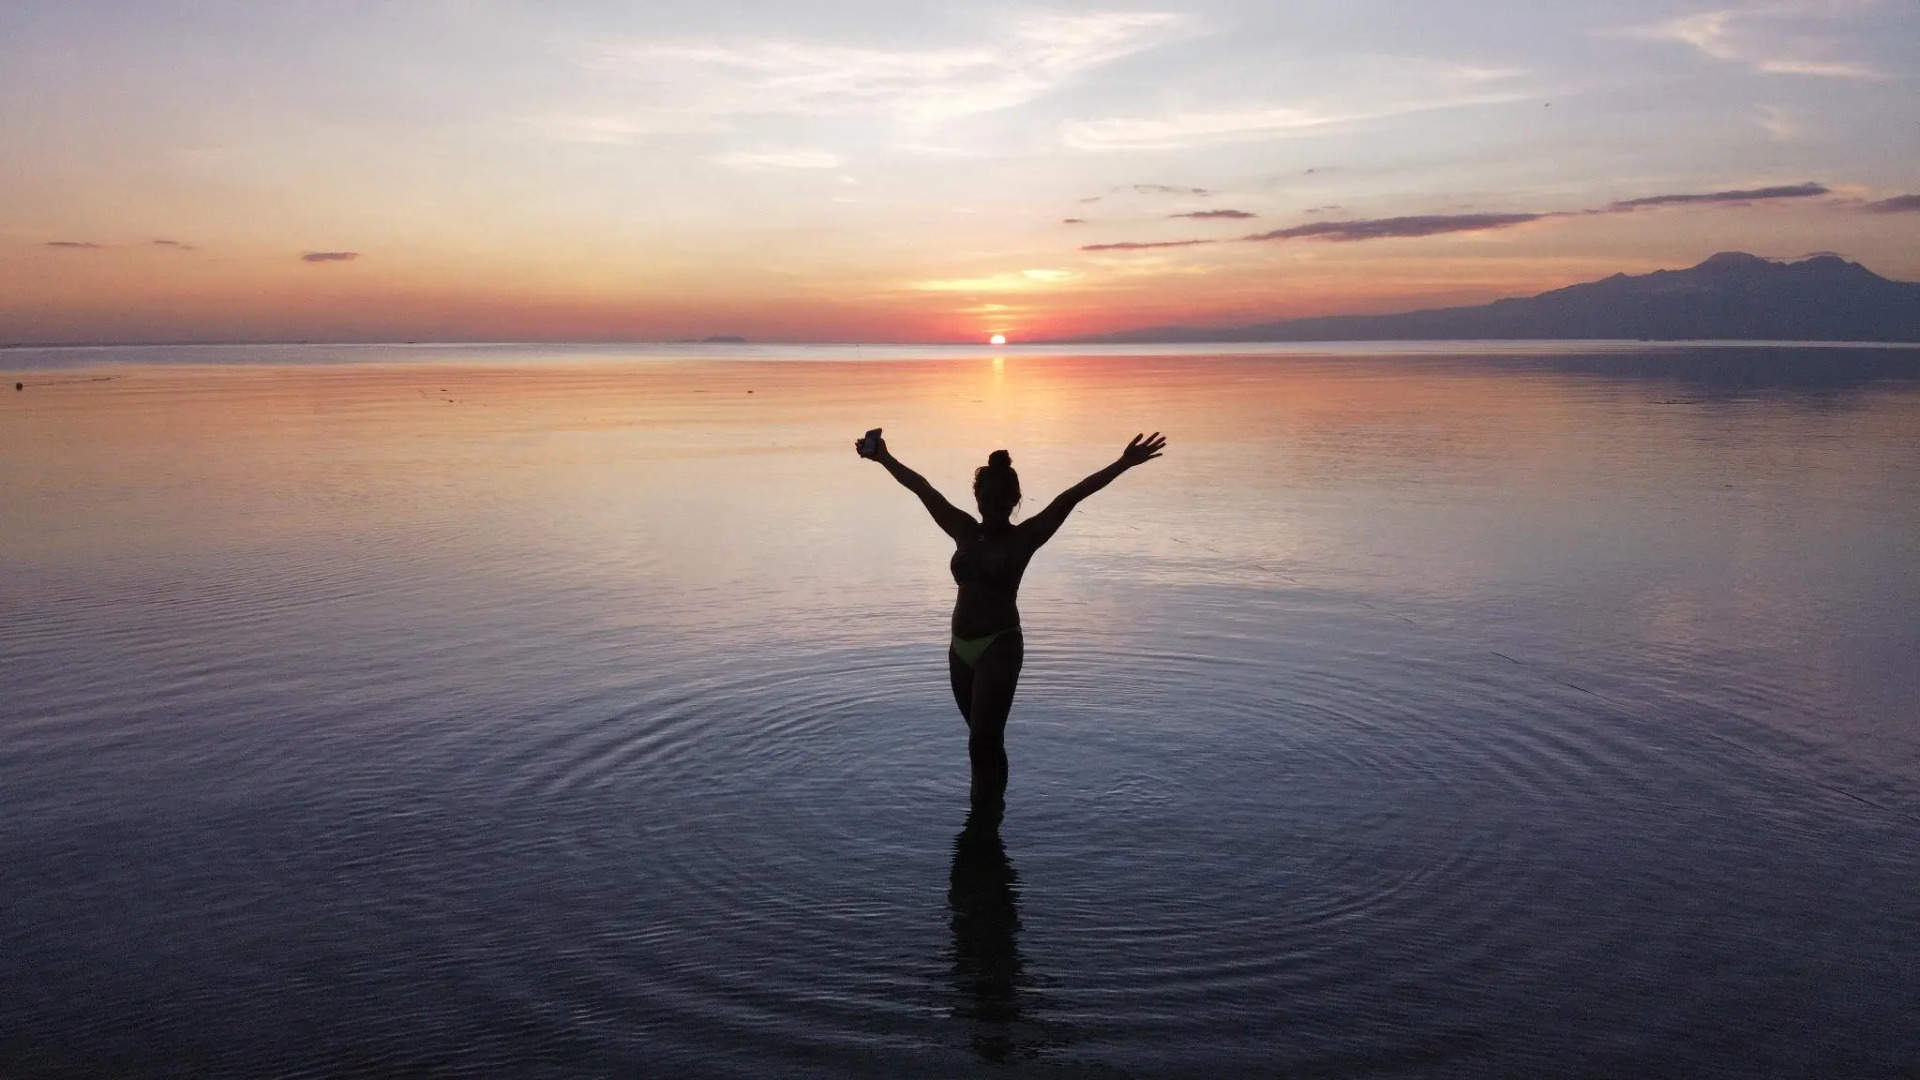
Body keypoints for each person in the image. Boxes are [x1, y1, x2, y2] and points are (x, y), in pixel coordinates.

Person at [858, 431, 1167, 800]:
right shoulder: (963, 530)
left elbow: (1072, 495)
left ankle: (981, 826)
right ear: (977, 497)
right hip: (960, 650)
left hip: (999, 647)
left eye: (1000, 498)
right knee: (985, 740)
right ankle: (996, 809)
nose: (992, 504)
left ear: (1014, 500)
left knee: (980, 746)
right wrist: (884, 458)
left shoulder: (1024, 538)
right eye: (985, 497)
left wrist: (1123, 463)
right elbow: (923, 488)